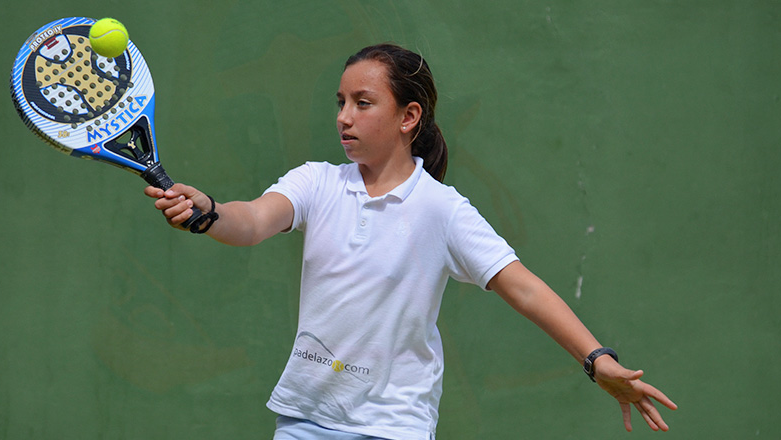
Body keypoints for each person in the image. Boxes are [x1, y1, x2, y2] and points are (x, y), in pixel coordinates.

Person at [145, 43, 677, 439]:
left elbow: (525, 289)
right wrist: (208, 213)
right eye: (340, 102)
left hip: (393, 425)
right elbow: (252, 221)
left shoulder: (441, 211)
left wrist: (597, 359)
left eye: (363, 102)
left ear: (409, 117)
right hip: (305, 418)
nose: (344, 116)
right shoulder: (315, 182)